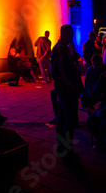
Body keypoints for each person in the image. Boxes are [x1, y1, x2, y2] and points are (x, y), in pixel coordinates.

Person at [51, 24, 84, 162]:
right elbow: (62, 71)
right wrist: (70, 85)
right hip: (65, 89)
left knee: (62, 117)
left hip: (63, 88)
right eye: (70, 34)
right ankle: (67, 150)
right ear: (65, 34)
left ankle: (62, 147)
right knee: (69, 118)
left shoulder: (63, 48)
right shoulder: (60, 49)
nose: (72, 37)